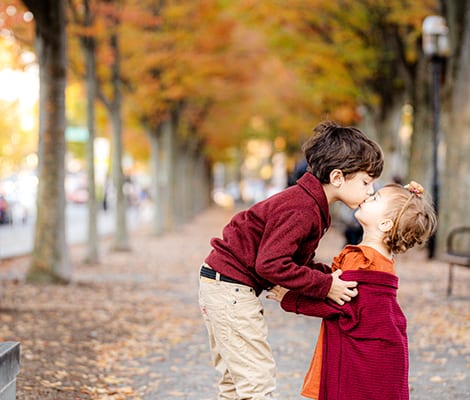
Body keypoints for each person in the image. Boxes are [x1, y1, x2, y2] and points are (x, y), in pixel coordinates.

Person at [198, 120, 384, 399]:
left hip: (223, 284)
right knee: (256, 381)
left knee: (236, 383)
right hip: (230, 288)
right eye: (366, 182)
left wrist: (329, 275)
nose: (370, 190)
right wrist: (325, 285)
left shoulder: (309, 204)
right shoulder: (302, 208)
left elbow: (290, 259)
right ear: (337, 178)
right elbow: (271, 264)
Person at [267, 180, 437, 400]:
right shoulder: (383, 259)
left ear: (385, 224)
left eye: (375, 199)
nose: (368, 197)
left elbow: (337, 303)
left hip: (360, 351)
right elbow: (337, 285)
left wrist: (289, 298)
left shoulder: (364, 260)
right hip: (379, 346)